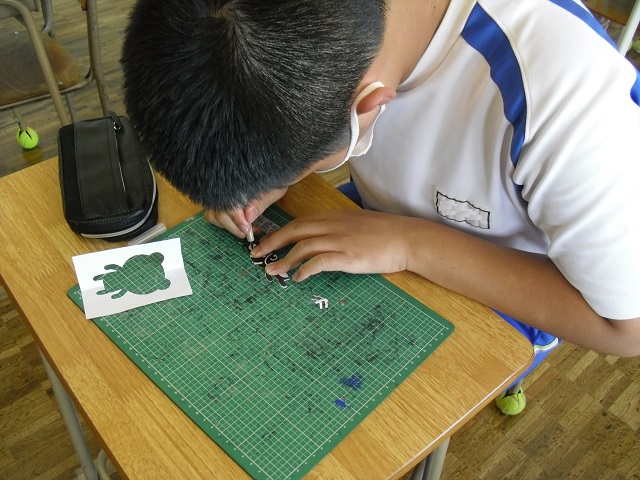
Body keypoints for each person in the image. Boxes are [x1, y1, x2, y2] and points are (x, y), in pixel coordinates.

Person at [121, 0, 640, 414]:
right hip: (375, 218)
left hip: (514, 287)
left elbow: (625, 326)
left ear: (371, 104)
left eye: (294, 167)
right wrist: (267, 172)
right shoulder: (340, 40)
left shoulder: (565, 99)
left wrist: (410, 243)